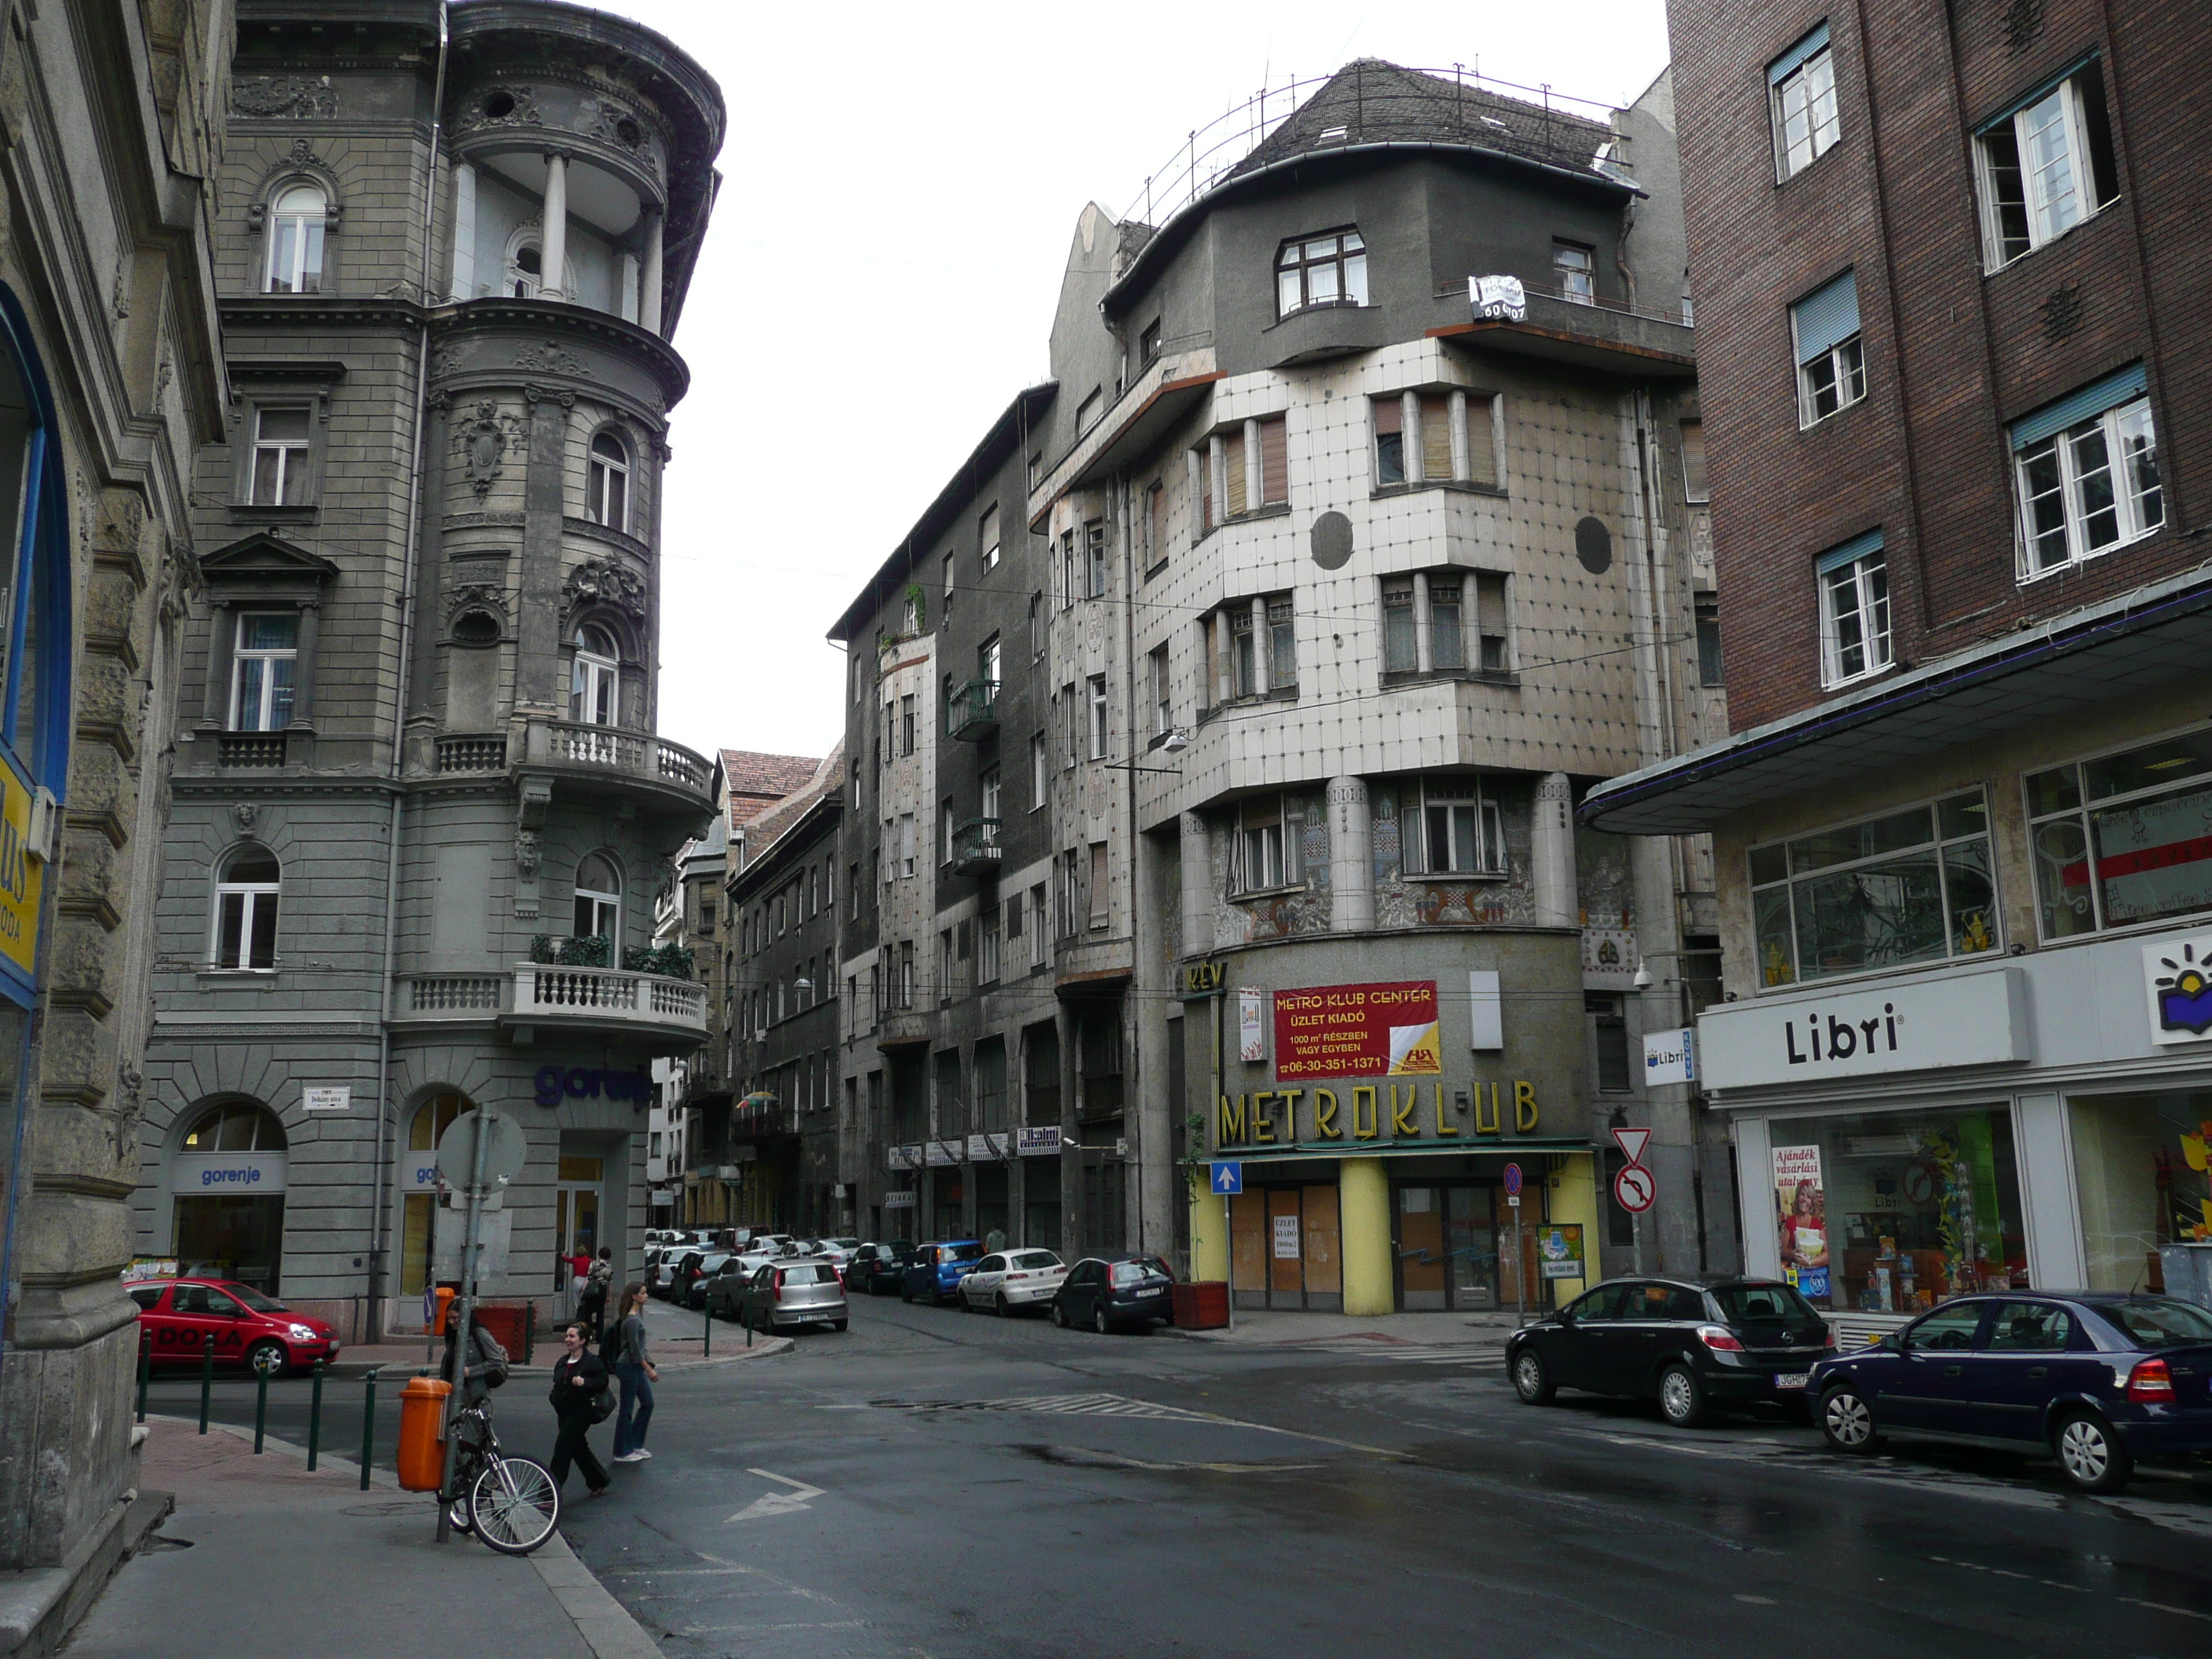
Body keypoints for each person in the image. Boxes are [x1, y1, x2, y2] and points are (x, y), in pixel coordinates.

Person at [547, 1323, 611, 1500]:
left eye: (572, 1336)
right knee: (578, 1448)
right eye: (567, 1336)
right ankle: (598, 1480)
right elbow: (557, 1383)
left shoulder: (592, 1362)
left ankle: (549, 1493)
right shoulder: (562, 1361)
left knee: (563, 1448)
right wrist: (554, 1398)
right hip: (564, 1412)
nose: (568, 1340)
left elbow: (603, 1381)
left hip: (581, 1412)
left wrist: (585, 1383)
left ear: (582, 1340)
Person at [609, 1282, 657, 1464]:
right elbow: (634, 1350)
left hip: (635, 1366)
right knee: (627, 1408)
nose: (646, 1296)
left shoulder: (636, 1316)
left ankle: (635, 1443)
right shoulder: (631, 1321)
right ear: (634, 1297)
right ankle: (622, 1451)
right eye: (643, 1293)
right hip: (629, 1366)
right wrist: (649, 1369)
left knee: (648, 1403)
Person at [441, 1306, 508, 1406]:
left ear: (465, 1317)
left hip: (475, 1396)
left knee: (475, 1421)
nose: (451, 1322)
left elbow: (496, 1360)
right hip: (453, 1395)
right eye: (449, 1319)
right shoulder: (454, 1336)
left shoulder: (479, 1333)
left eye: (455, 1318)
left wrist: (471, 1371)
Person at [578, 1246, 614, 1338]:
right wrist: (609, 1296)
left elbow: (588, 1277)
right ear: (609, 1256)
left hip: (592, 1290)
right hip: (602, 1290)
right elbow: (610, 1283)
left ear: (599, 1254)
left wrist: (584, 1289)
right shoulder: (609, 1267)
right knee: (600, 1314)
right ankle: (599, 1337)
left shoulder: (593, 1264)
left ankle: (588, 1335)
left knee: (588, 1313)